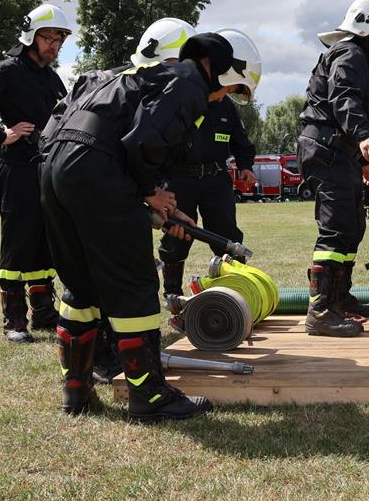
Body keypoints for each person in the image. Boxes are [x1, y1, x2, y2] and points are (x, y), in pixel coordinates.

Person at [40, 31, 242, 421]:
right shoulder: (186, 81)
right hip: (96, 170)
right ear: (220, 69)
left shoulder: (111, 78)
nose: (219, 99)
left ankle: (75, 392)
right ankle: (149, 397)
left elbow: (62, 131)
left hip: (54, 169)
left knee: (81, 285)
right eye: (228, 89)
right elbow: (145, 142)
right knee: (134, 283)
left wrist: (157, 205)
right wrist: (148, 191)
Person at [0, 3, 70, 343]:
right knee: (18, 243)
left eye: (59, 39)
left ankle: (43, 313)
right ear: (30, 37)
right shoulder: (7, 71)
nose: (53, 44)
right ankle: (14, 320)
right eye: (47, 37)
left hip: (47, 169)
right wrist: (0, 134)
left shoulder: (53, 79)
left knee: (45, 242)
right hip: (18, 168)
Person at [298, 0, 369, 336]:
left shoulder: (354, 57)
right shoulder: (350, 54)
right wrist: (367, 136)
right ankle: (320, 311)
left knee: (353, 225)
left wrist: (362, 161)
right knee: (336, 230)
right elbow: (344, 99)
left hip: (339, 152)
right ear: (367, 26)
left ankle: (339, 298)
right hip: (327, 151)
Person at [159, 26, 260, 303]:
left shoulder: (225, 105)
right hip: (180, 179)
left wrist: (246, 165)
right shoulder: (182, 97)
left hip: (216, 179)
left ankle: (232, 291)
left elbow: (241, 140)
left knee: (227, 236)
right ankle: (172, 293)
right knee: (176, 236)